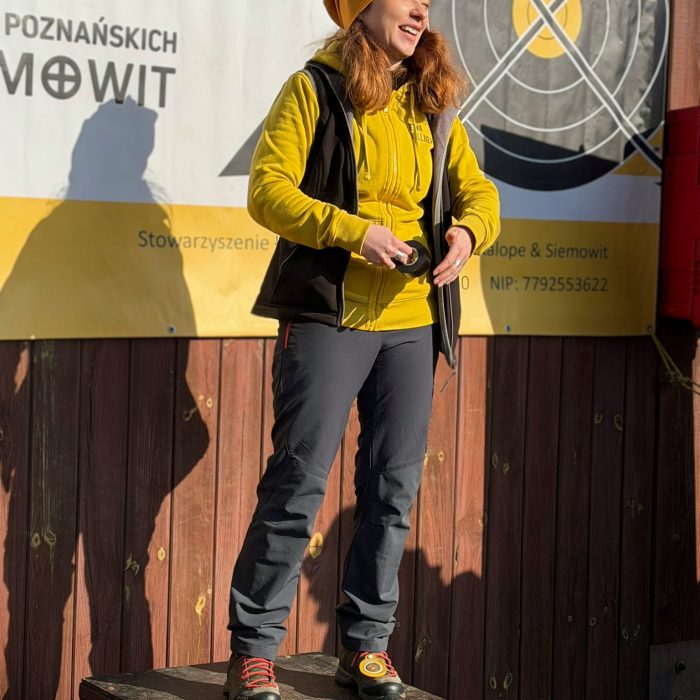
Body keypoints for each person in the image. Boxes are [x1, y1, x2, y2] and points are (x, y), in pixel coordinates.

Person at [225, 1, 500, 698]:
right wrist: (354, 232)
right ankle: (254, 652)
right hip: (329, 316)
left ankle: (366, 646)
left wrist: (469, 231)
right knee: (296, 483)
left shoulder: (434, 99)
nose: (421, 8)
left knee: (391, 490)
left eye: (426, 1)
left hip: (413, 323)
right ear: (360, 9)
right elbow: (267, 192)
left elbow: (479, 192)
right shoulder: (314, 88)